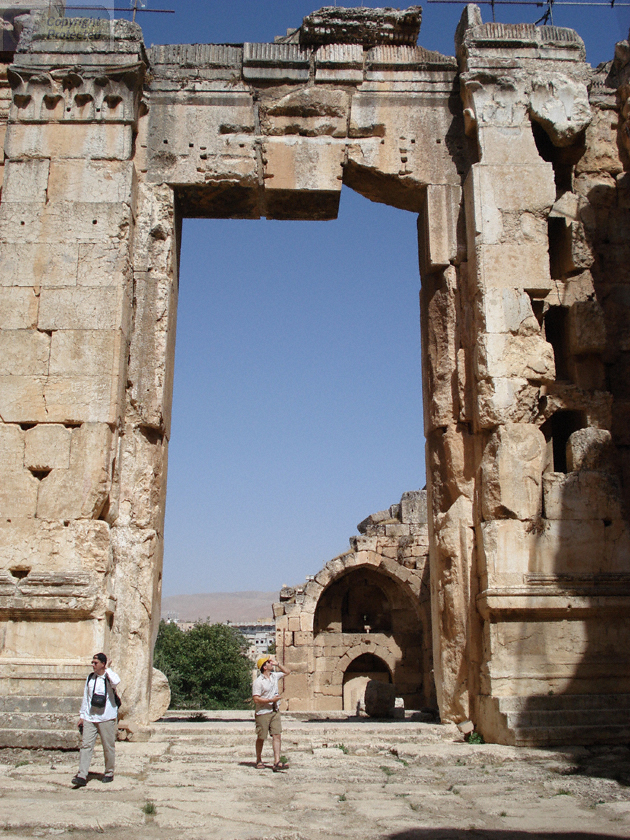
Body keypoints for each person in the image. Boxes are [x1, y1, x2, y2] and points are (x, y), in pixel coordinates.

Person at [71, 653, 121, 787]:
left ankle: (109, 772)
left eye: (96, 663)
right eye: (92, 662)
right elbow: (86, 699)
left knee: (108, 746)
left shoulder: (109, 677)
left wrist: (108, 669)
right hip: (90, 717)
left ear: (103, 664)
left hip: (106, 717)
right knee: (86, 746)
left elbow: (116, 682)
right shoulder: (90, 678)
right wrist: (82, 716)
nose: (93, 665)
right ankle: (82, 775)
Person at [252, 655, 290, 771]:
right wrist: (270, 700)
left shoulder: (274, 676)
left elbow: (287, 672)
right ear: (264, 667)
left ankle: (277, 761)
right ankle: (258, 759)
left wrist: (277, 664)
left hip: (274, 711)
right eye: (268, 662)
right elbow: (256, 699)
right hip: (263, 712)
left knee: (277, 735)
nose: (270, 663)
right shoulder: (258, 682)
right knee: (261, 737)